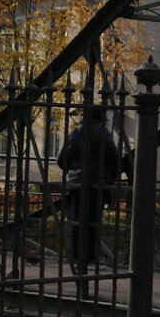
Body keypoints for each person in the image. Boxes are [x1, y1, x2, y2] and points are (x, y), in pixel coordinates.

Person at [57, 106, 122, 289]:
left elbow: (61, 160)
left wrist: (74, 171)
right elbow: (114, 158)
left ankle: (77, 256)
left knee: (78, 220)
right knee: (93, 220)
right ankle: (89, 257)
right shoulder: (102, 134)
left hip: (77, 184)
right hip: (96, 184)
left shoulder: (74, 134)